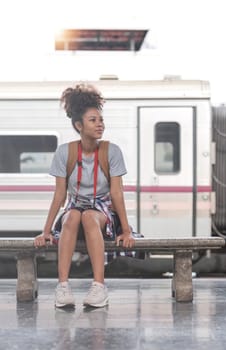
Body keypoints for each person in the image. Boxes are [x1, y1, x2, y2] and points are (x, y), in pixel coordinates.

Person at [34, 83, 135, 309]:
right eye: (93, 120)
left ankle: (99, 287)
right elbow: (60, 195)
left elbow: (117, 193)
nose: (100, 124)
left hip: (101, 213)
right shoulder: (65, 152)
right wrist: (47, 230)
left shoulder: (112, 151)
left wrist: (126, 230)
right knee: (71, 217)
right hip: (74, 209)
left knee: (89, 216)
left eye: (101, 119)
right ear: (79, 125)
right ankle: (63, 288)